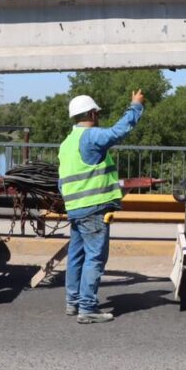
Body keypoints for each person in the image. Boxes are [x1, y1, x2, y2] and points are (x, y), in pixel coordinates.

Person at [58, 89, 144, 324]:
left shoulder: (67, 143)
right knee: (94, 257)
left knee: (76, 256)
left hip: (75, 209)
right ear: (93, 113)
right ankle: (88, 308)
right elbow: (118, 132)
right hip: (94, 208)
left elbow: (63, 180)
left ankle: (72, 302)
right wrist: (135, 106)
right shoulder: (91, 136)